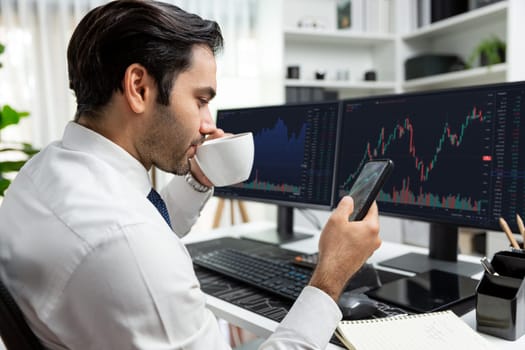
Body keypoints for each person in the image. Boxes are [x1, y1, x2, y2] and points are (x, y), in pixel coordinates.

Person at [0, 1, 381, 349]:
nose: (207, 123)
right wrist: (329, 278)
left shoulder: (45, 171)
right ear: (139, 88)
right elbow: (134, 242)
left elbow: (143, 223)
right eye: (200, 100)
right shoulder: (127, 243)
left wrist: (198, 178)